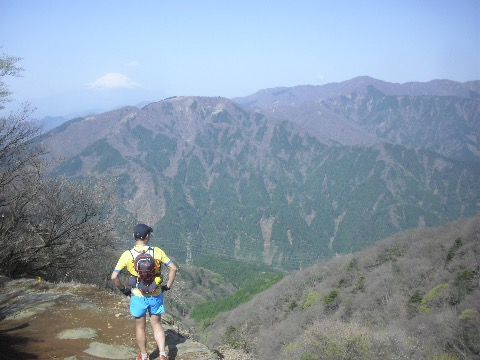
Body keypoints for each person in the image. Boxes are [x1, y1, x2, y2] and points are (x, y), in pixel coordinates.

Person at [111, 223, 177, 360]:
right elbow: (173, 269)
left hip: (137, 295)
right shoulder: (157, 251)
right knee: (157, 324)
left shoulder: (127, 255)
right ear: (147, 237)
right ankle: (163, 354)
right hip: (155, 293)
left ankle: (144, 355)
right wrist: (167, 286)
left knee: (140, 327)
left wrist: (124, 290)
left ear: (134, 237)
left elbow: (114, 277)